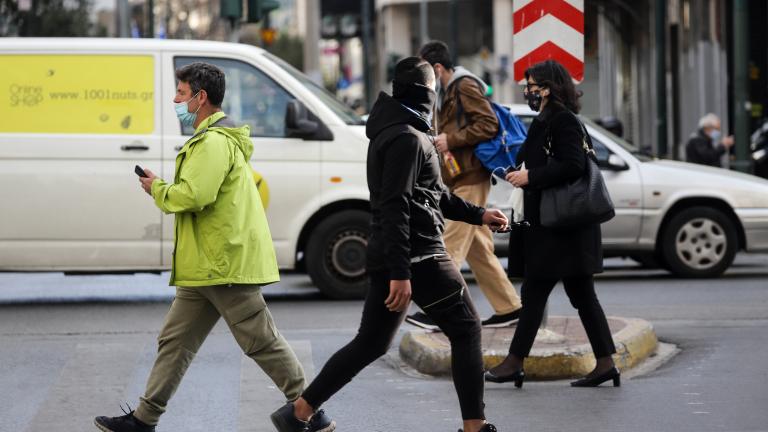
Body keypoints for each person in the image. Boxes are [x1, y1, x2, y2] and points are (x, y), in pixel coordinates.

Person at [93, 62, 334, 432]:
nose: (175, 100)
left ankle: (311, 413)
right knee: (174, 343)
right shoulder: (214, 140)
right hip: (204, 265)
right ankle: (144, 419)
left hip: (222, 264)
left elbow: (195, 195)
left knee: (262, 342)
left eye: (180, 93)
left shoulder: (214, 142)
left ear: (200, 97)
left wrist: (157, 188)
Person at [269, 57, 504, 432]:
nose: (436, 96)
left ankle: (299, 412)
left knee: (371, 343)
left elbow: (435, 194)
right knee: (467, 329)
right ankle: (474, 427)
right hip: (419, 254)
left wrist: (480, 215)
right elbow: (395, 205)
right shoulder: (406, 139)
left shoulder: (400, 131)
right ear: (424, 92)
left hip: (396, 253)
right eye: (433, 89)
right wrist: (400, 272)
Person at [484, 60, 620, 388]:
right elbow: (538, 157)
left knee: (535, 292)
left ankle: (515, 362)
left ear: (547, 88)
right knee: (580, 295)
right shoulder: (549, 119)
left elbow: (573, 165)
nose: (528, 92)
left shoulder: (562, 121)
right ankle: (605, 363)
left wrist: (532, 176)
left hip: (561, 227)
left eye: (532, 86)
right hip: (555, 225)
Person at [405, 40, 523, 331]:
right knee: (479, 250)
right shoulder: (449, 91)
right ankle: (510, 308)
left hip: (472, 176)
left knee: (448, 244)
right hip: (461, 177)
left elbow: (489, 125)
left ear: (437, 68)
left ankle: (437, 310)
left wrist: (451, 139)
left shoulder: (464, 86)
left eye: (425, 71)